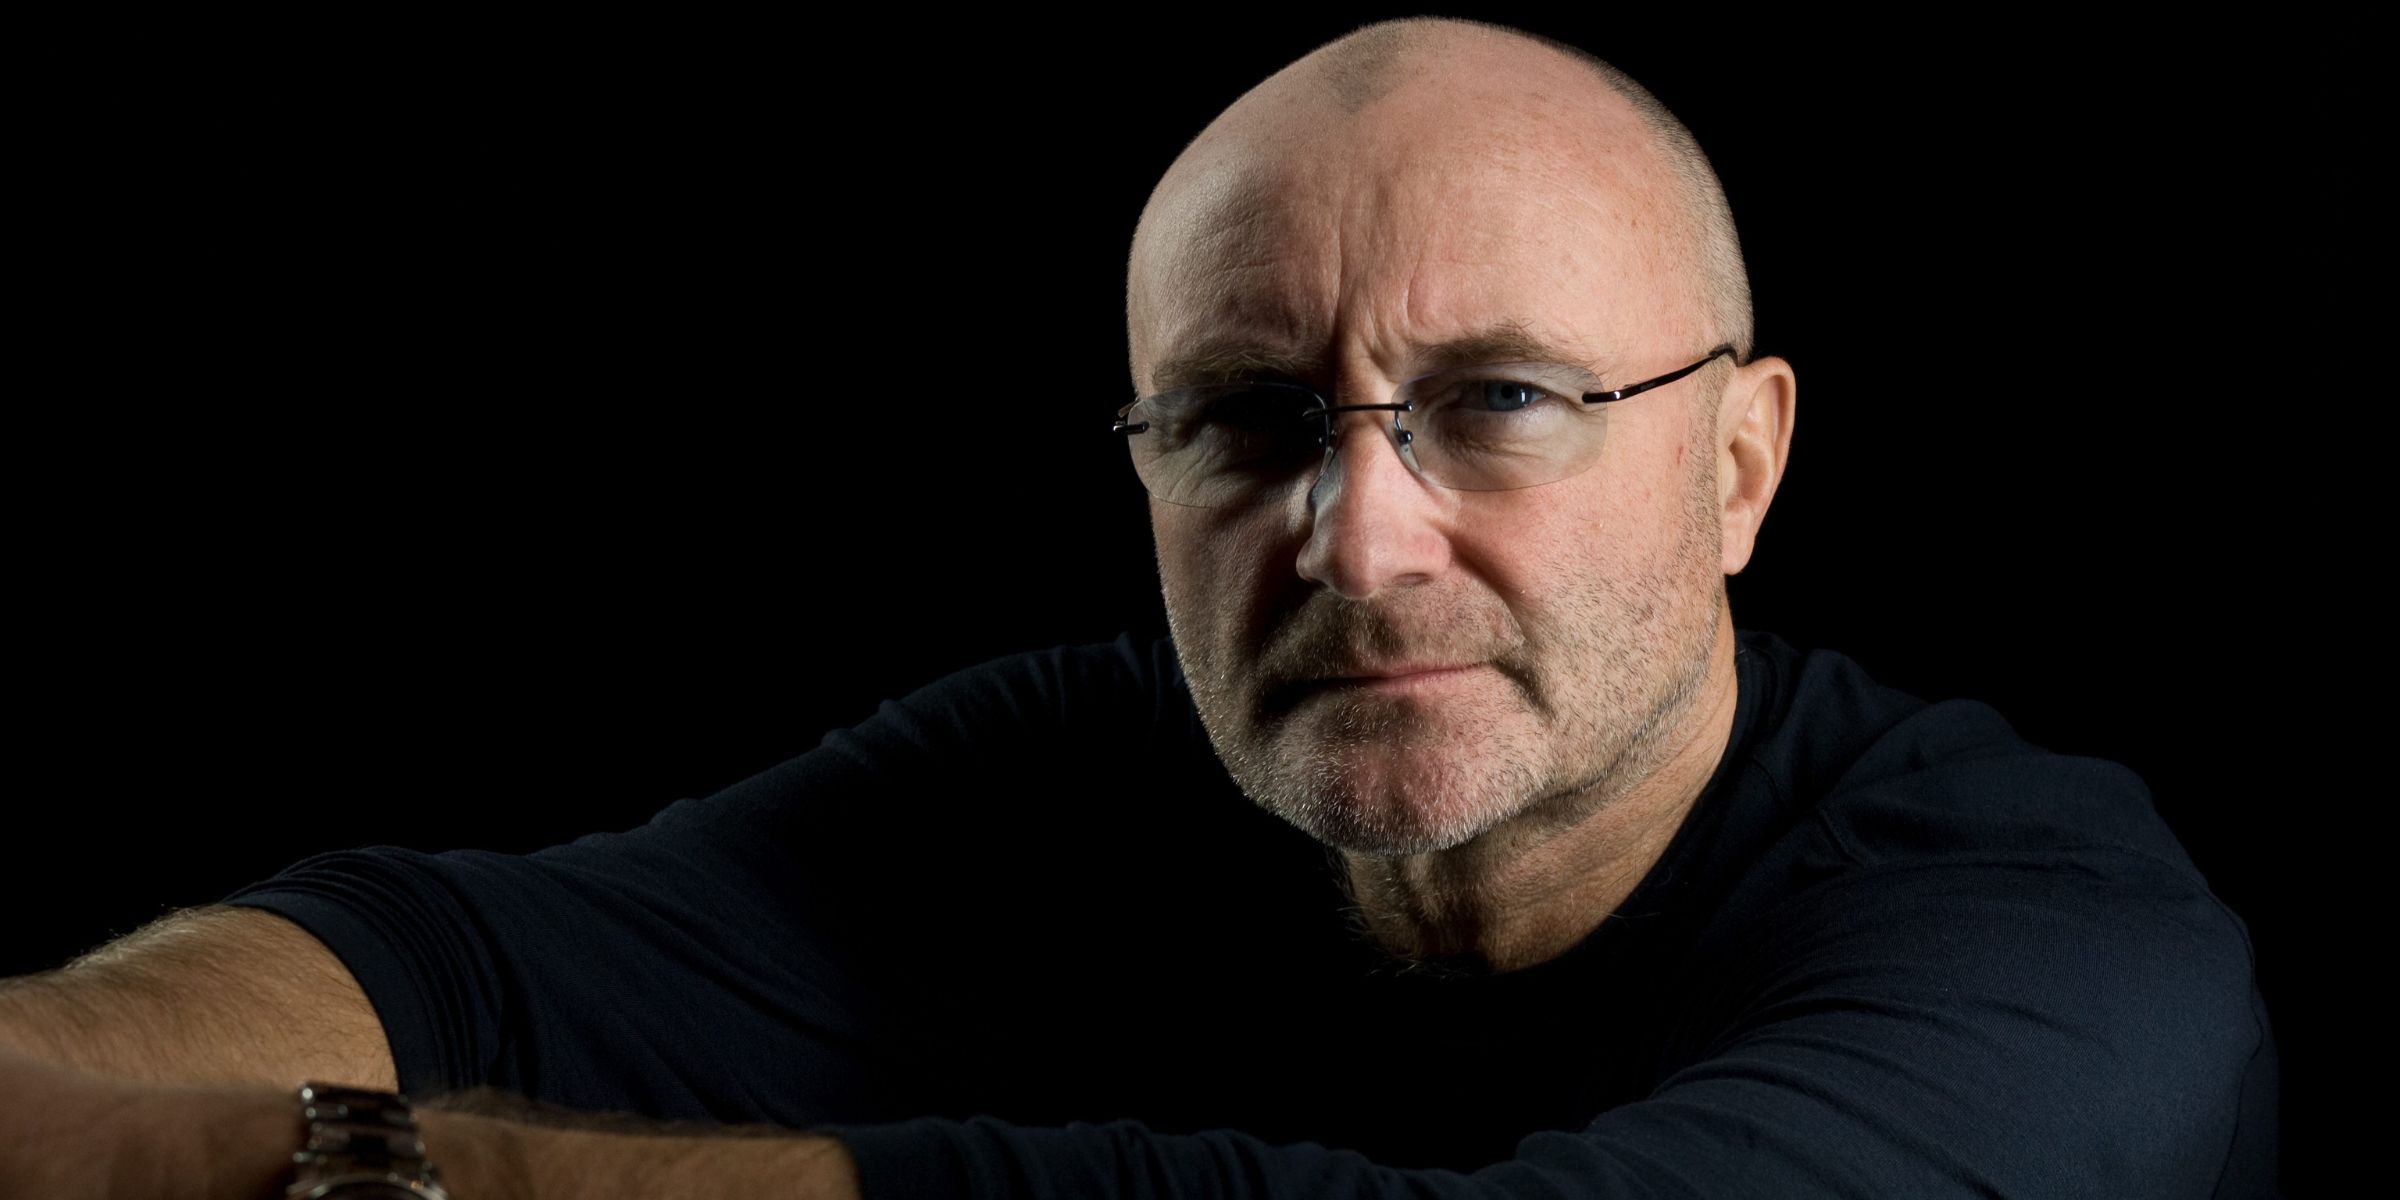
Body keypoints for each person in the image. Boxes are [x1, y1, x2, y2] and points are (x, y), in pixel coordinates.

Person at [0, 18, 2279, 1198]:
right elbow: (458, 961)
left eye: (1498, 404)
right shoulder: (1068, 777)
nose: (1356, 543)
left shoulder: (2057, 938)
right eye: (1245, 420)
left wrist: (279, 1170)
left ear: (1740, 465)